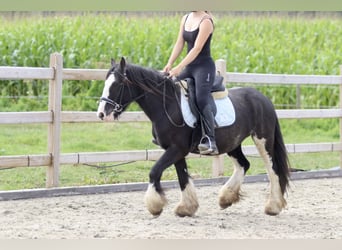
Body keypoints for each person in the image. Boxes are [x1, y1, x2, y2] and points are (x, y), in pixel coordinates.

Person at [163, 11, 218, 155]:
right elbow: (179, 43)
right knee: (167, 87)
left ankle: (210, 140)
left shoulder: (206, 21)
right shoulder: (185, 18)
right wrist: (170, 63)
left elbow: (197, 48)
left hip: (204, 67)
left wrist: (179, 67)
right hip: (190, 67)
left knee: (201, 98)